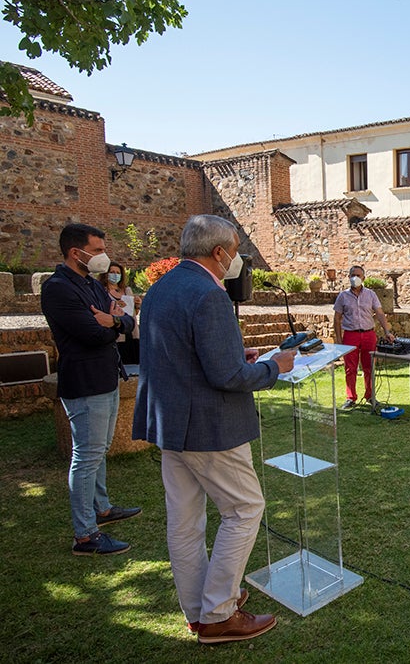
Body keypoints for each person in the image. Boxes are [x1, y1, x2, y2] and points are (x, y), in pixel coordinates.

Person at [133, 214, 296, 644]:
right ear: (220, 252)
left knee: (184, 523)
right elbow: (227, 376)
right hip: (209, 427)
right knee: (245, 509)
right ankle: (220, 613)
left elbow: (182, 353)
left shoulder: (161, 287)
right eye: (237, 249)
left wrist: (234, 352)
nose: (238, 258)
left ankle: (198, 610)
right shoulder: (209, 294)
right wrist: (271, 367)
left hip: (171, 424)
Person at [41, 223, 140, 556]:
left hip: (106, 376)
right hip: (84, 382)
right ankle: (85, 535)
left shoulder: (91, 284)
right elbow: (90, 334)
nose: (103, 256)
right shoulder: (57, 289)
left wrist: (111, 320)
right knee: (86, 457)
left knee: (99, 450)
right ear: (76, 252)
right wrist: (111, 324)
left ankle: (102, 508)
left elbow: (125, 321)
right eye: (98, 250)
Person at [333, 265, 395, 411]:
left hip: (368, 334)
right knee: (350, 368)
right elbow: (337, 318)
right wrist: (338, 339)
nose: (355, 278)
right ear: (349, 277)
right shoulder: (343, 296)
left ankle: (370, 395)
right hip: (350, 334)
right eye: (353, 275)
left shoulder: (371, 294)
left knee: (369, 367)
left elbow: (379, 313)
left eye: (358, 275)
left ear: (364, 278)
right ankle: (351, 397)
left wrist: (387, 331)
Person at [100, 260, 141, 365]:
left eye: (118, 273)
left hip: (132, 334)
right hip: (116, 336)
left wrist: (137, 305)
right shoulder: (102, 292)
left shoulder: (127, 291)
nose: (115, 275)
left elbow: (134, 313)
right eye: (112, 272)